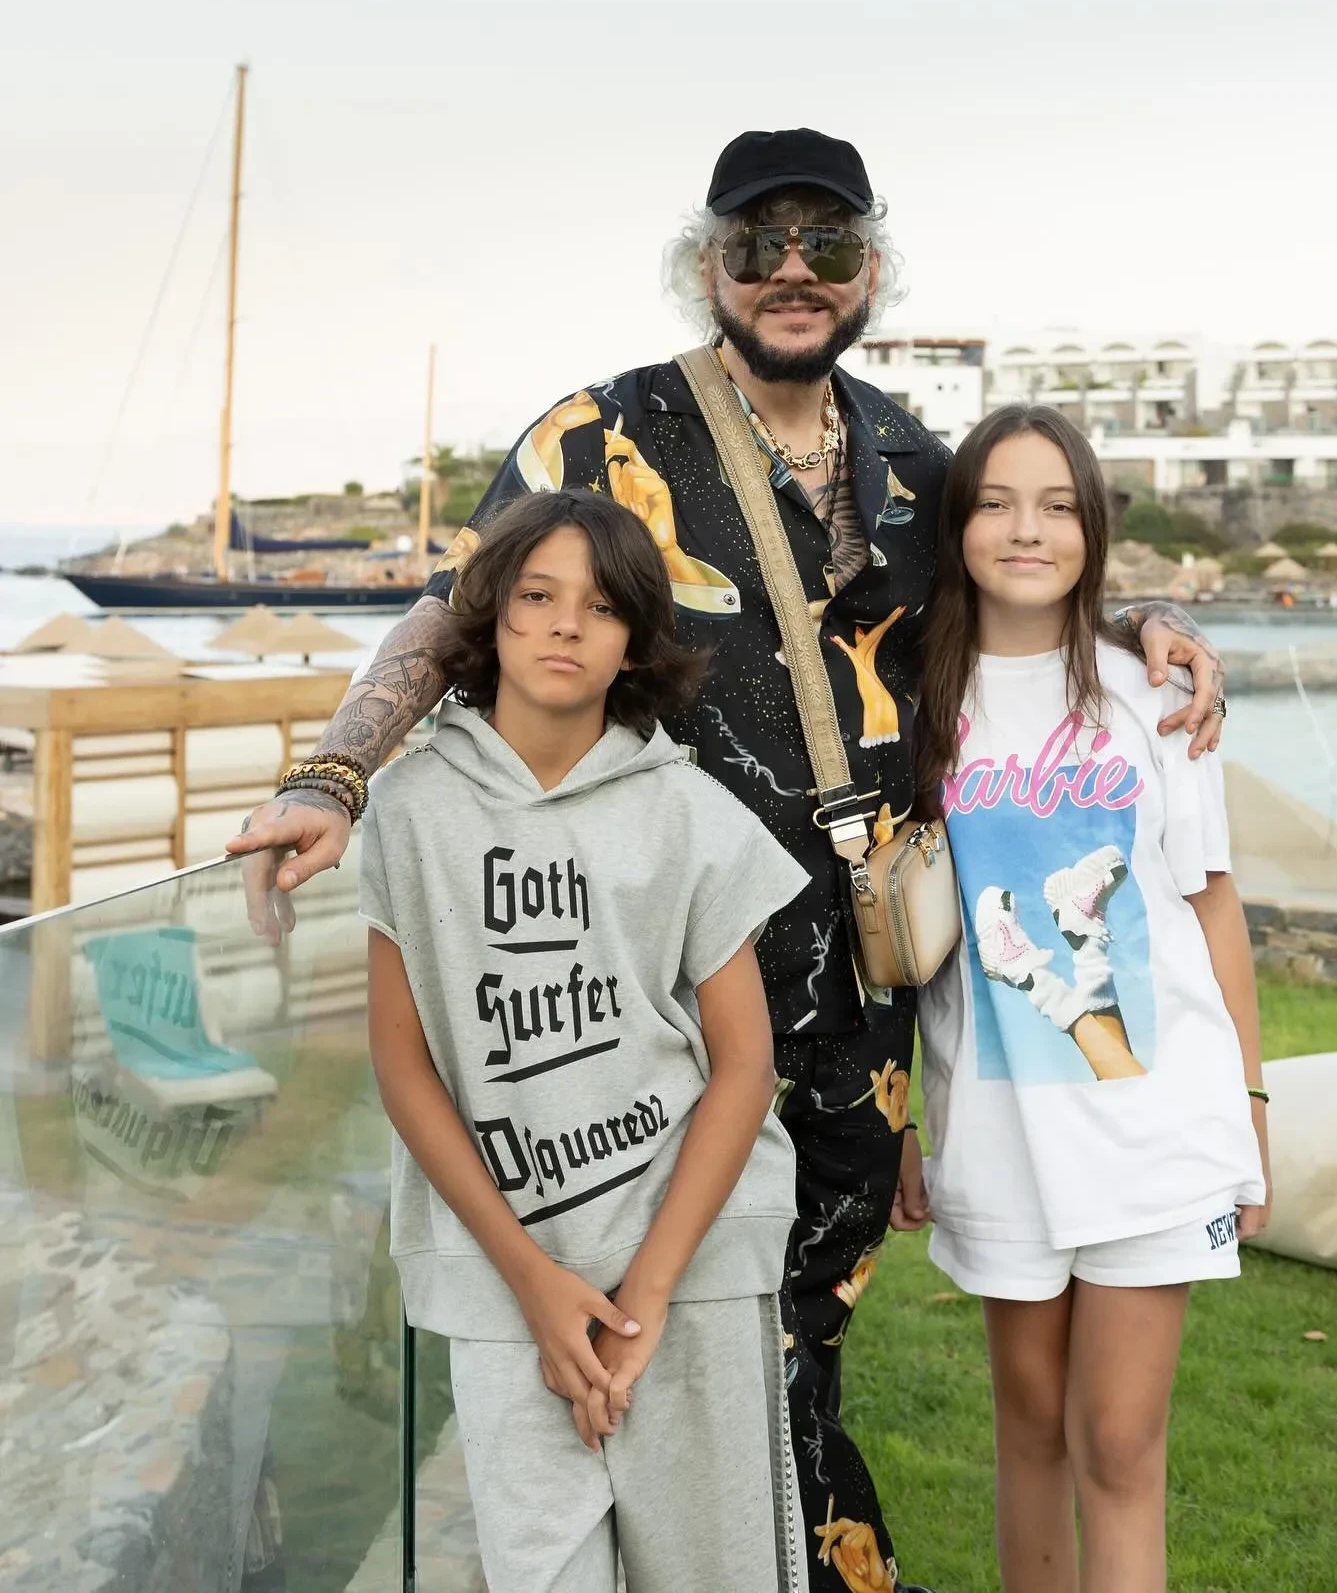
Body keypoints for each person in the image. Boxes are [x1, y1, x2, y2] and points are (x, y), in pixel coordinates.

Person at [230, 128, 1228, 1592]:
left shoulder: (913, 459)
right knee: (672, 1315)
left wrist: (1141, 625)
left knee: (807, 1317)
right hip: (663, 979)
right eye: (760, 242)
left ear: (872, 267)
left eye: (830, 242)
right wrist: (336, 772)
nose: (794, 270)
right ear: (709, 265)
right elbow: (461, 609)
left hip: (864, 993)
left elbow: (1027, 568)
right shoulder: (605, 435)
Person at [362, 489, 810, 1591]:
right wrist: (531, 1279)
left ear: (635, 642)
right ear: (492, 617)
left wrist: (645, 1294)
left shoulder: (690, 813)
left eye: (602, 606)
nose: (566, 623)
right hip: (505, 1280)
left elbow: (744, 1067)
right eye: (537, 596)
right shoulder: (410, 810)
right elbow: (405, 1067)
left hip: (688, 1274)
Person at [910, 404, 1271, 1593]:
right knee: (1029, 1429)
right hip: (999, 1124)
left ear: (1093, 527)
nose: (1028, 530)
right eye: (997, 502)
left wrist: (1251, 1103)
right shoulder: (912, 701)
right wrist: (901, 1108)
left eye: (1059, 505)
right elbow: (897, 927)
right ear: (957, 525)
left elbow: (1212, 903)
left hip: (1155, 1125)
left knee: (1118, 1441)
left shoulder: (1154, 692)